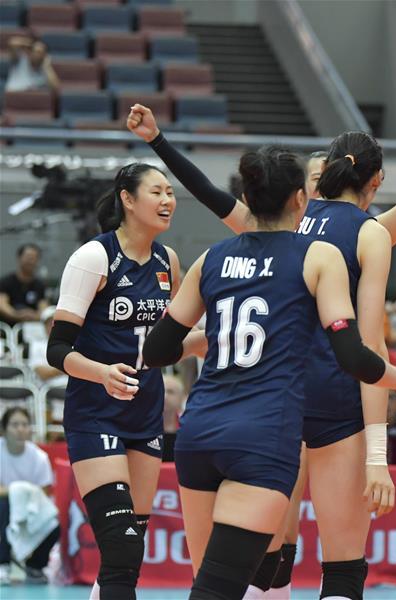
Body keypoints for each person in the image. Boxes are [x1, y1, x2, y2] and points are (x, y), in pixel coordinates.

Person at [127, 102, 396, 599]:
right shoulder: (367, 232)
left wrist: (158, 141)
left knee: (262, 563)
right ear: (374, 181)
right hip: (333, 403)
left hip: (264, 406)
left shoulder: (268, 230)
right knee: (342, 565)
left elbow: (208, 193)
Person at [140, 145, 396, 600]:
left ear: (247, 198)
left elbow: (156, 350)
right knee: (230, 586)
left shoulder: (211, 258)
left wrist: (205, 339)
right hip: (262, 435)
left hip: (198, 432)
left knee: (213, 585)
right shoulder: (318, 257)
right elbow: (353, 355)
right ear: (300, 198)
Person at [44, 163, 203, 600]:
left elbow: (167, 344)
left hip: (146, 413)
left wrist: (205, 341)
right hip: (96, 413)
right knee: (121, 544)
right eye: (157, 192)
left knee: (128, 556)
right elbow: (56, 349)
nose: (168, 200)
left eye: (170, 192)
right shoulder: (94, 257)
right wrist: (102, 373)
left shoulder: (167, 261)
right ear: (127, 200)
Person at [0, 407, 59, 585]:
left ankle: (35, 566)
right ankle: (3, 564)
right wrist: (17, 491)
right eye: (14, 425)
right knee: (5, 506)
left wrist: (22, 496)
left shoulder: (39, 457)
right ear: (4, 430)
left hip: (31, 508)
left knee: (54, 521)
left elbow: (44, 493)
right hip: (4, 508)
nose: (20, 429)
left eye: (24, 425)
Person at [0, 243, 48, 325]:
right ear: (19, 258)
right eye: (28, 257)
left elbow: (44, 309)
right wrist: (17, 315)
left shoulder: (40, 285)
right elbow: (2, 305)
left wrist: (34, 316)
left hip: (32, 326)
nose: (30, 261)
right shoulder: (6, 281)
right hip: (8, 327)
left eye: (34, 258)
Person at [27, 306, 67, 385]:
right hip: (49, 390)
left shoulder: (73, 344)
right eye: (50, 323)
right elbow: (43, 374)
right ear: (44, 326)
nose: (53, 326)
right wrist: (69, 367)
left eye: (57, 323)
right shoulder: (36, 346)